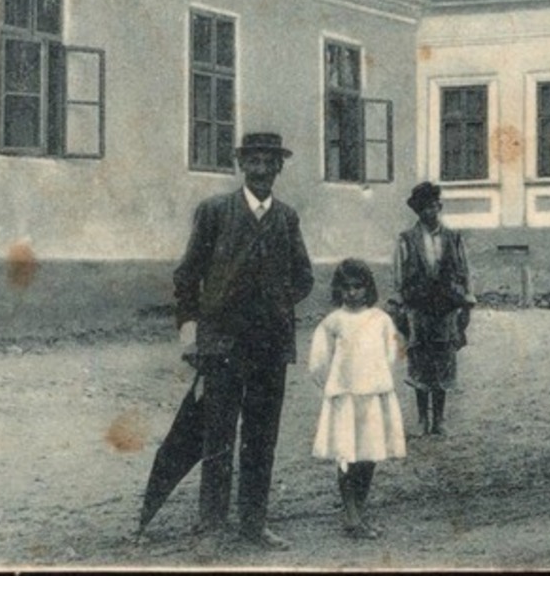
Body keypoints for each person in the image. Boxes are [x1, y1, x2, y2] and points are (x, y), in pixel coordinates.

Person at [173, 131, 314, 551]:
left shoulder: (287, 218)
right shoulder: (215, 212)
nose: (262, 170)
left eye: (270, 162)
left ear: (279, 168)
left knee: (261, 437)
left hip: (270, 348)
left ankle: (254, 523)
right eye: (253, 161)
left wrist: (273, 304)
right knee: (217, 437)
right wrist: (191, 331)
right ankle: (212, 528)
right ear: (241, 165)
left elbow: (304, 278)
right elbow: (186, 276)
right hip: (222, 347)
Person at [308, 259, 407, 539]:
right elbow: (318, 361)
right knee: (346, 455)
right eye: (346, 287)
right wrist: (334, 385)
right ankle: (351, 514)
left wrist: (378, 379)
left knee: (369, 455)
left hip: (373, 397)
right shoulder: (333, 322)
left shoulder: (380, 320)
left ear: (368, 288)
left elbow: (394, 354)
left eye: (358, 287)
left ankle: (359, 511)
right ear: (338, 289)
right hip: (345, 399)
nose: (352, 293)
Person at [390, 181, 473, 436]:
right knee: (419, 361)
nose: (430, 212)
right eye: (424, 208)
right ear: (418, 211)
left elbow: (465, 272)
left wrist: (466, 303)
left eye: (434, 207)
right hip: (418, 309)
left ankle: (439, 419)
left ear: (440, 207)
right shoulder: (407, 239)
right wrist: (401, 308)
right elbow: (399, 274)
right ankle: (421, 419)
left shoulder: (453, 238)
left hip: (446, 309)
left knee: (444, 361)